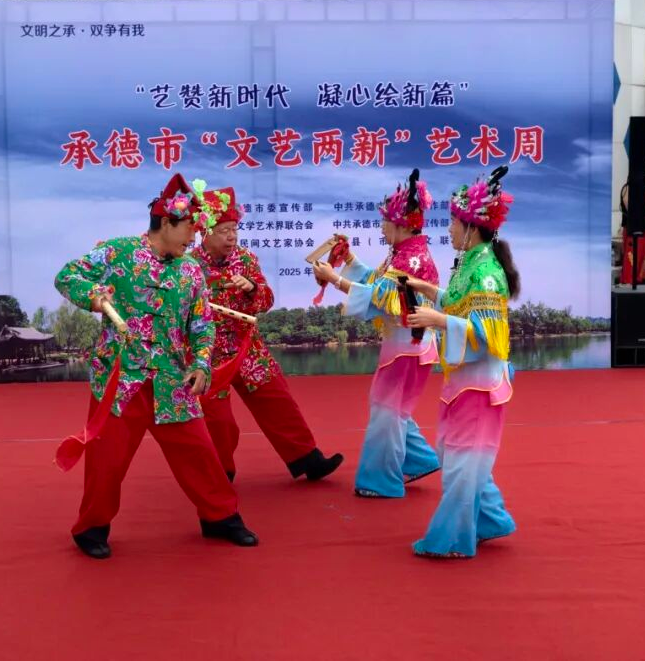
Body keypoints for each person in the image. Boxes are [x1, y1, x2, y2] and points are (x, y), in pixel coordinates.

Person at [54, 173, 258, 559]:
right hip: (121, 378)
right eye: (189, 228)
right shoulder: (117, 253)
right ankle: (91, 527)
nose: (194, 237)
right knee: (107, 459)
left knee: (199, 452)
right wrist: (93, 295)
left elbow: (202, 325)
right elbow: (67, 276)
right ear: (166, 222)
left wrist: (202, 364)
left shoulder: (190, 270)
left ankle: (220, 517)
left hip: (172, 379)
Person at [401, 171, 518, 558]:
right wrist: (427, 290)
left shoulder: (486, 273)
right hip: (463, 380)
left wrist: (437, 320)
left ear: (472, 227)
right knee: (458, 455)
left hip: (479, 384)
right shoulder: (469, 263)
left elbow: (487, 335)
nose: (449, 228)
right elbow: (458, 305)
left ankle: (452, 539)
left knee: (463, 462)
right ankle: (490, 520)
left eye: (453, 221)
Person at [193, 186, 343, 483]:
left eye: (234, 229)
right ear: (204, 232)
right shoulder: (190, 266)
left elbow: (267, 299)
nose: (231, 237)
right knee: (217, 418)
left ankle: (308, 459)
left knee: (277, 400)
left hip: (247, 348)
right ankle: (221, 472)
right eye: (223, 231)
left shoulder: (246, 259)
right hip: (209, 353)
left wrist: (252, 289)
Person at [312, 169, 442, 498]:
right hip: (409, 345)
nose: (382, 227)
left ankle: (383, 481)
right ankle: (418, 460)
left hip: (407, 347)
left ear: (402, 224)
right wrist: (349, 260)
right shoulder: (405, 253)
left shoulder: (411, 259)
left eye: (386, 221)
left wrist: (335, 279)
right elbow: (378, 281)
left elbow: (381, 297)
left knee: (387, 410)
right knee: (392, 408)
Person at [619, 163, 645, 284]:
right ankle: (627, 283)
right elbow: (632, 208)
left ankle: (636, 282)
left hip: (643, 229)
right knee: (631, 259)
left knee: (640, 260)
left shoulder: (641, 189)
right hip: (632, 230)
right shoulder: (629, 187)